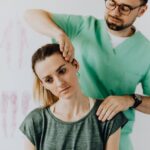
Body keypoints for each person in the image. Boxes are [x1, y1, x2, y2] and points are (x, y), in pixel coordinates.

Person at [24, 0, 150, 149]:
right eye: (111, 3)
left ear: (141, 11)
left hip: (116, 136)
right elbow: (30, 15)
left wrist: (131, 100)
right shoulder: (82, 27)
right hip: (69, 128)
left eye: (125, 8)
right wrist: (59, 34)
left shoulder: (146, 52)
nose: (115, 11)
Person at [19, 43, 127, 150]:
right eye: (49, 80)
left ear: (75, 65)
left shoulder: (108, 115)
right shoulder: (35, 121)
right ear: (44, 85)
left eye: (62, 71)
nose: (59, 83)